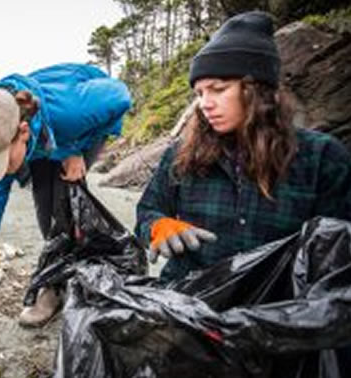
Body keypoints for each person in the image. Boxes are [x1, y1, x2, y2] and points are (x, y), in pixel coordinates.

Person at [0, 63, 131, 354]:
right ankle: (55, 280)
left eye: (0, 162)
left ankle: (74, 279)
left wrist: (74, 147)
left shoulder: (73, 112)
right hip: (41, 135)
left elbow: (121, 96)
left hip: (77, 126)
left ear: (23, 132)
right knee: (44, 205)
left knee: (63, 197)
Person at [135, 10, 351, 283]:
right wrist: (157, 226)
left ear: (256, 89)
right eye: (199, 93)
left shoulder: (322, 157)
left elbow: (337, 254)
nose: (205, 104)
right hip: (187, 300)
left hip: (279, 310)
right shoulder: (180, 154)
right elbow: (147, 211)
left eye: (218, 89)